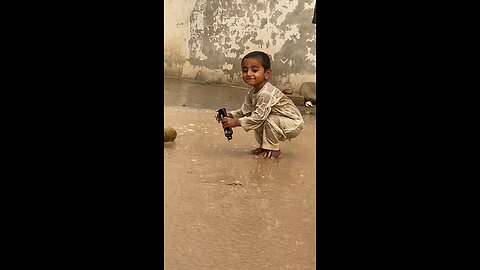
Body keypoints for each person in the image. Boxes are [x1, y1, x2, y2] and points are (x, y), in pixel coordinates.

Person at [216, 51, 304, 159]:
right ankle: (264, 147)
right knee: (256, 115)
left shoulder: (266, 93)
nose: (248, 74)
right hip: (280, 120)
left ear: (267, 74)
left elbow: (259, 118)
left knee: (264, 118)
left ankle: (273, 150)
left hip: (293, 122)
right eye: (245, 70)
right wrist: (229, 115)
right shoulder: (252, 93)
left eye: (254, 70)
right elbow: (244, 111)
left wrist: (236, 122)